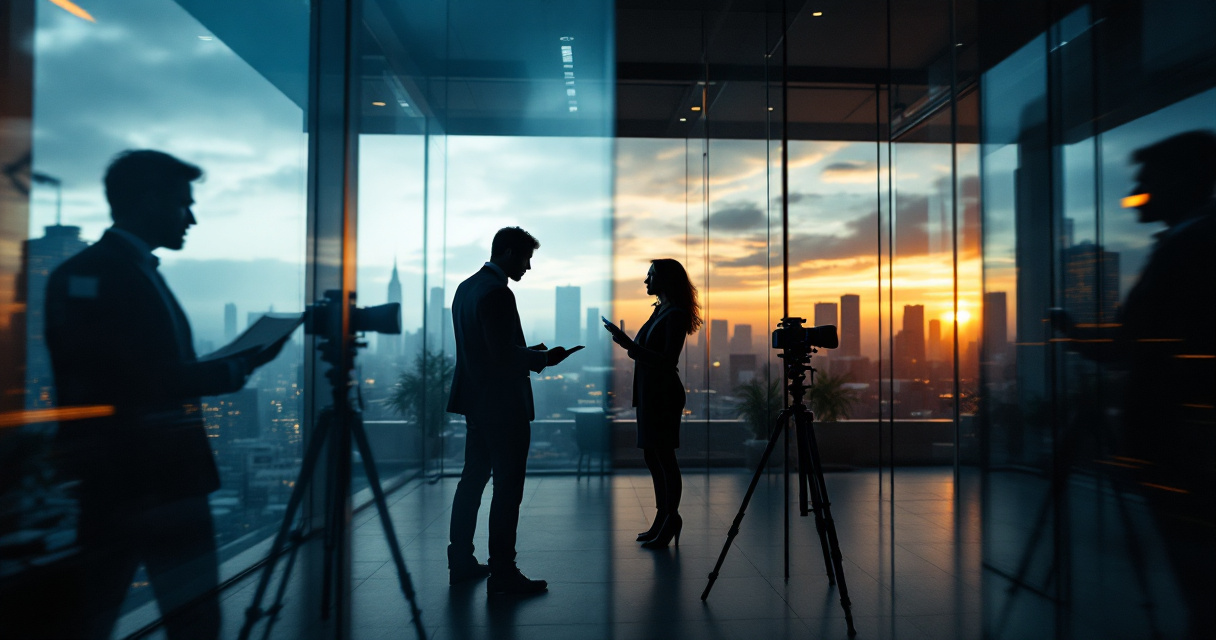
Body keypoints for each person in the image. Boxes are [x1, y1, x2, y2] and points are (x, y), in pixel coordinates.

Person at [45, 150, 288, 639]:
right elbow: (140, 381)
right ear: (149, 201)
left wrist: (232, 364)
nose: (191, 218)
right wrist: (237, 367)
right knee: (185, 619)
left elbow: (139, 371)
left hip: (135, 480)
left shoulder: (124, 271)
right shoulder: (103, 275)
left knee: (115, 615)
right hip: (148, 479)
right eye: (183, 204)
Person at [1054, 130, 1215, 638]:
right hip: (1188, 440)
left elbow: (1129, 344)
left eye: (1145, 183)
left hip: (1181, 444)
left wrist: (1073, 334)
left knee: (1200, 580)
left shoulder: (1185, 249)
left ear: (1179, 182)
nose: (1134, 195)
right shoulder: (1196, 242)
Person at [446, 226, 580, 595]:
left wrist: (530, 352)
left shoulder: (466, 288)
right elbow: (502, 355)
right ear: (508, 252)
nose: (528, 267)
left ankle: (460, 560)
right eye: (526, 259)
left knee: (472, 482)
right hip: (503, 406)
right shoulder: (498, 292)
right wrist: (544, 359)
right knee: (507, 490)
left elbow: (486, 349)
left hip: (477, 403)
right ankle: (503, 572)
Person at [604, 258, 702, 549]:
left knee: (664, 458)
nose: (646, 281)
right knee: (652, 456)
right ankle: (663, 517)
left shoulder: (675, 315)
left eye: (651, 275)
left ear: (665, 280)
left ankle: (670, 519)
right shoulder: (661, 310)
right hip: (650, 393)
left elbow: (667, 360)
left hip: (663, 395)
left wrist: (630, 346)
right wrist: (630, 344)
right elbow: (646, 350)